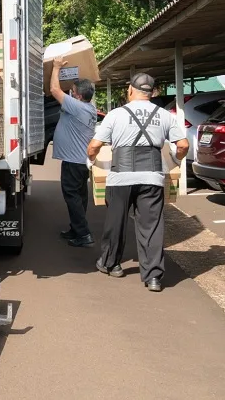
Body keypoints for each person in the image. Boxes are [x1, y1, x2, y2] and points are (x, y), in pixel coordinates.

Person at [87, 73, 189, 292]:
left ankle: (111, 264)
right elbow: (182, 145)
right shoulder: (164, 115)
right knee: (151, 227)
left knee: (116, 222)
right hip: (152, 176)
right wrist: (173, 161)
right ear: (151, 93)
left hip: (120, 177)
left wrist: (92, 161)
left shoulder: (115, 115)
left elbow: (94, 146)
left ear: (130, 91)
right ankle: (153, 277)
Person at [49, 57, 98, 248]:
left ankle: (84, 234)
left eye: (73, 91)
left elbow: (54, 90)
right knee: (79, 196)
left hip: (73, 162)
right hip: (80, 161)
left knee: (72, 196)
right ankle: (76, 229)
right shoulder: (89, 108)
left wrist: (56, 67)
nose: (71, 93)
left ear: (77, 96)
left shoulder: (76, 107)